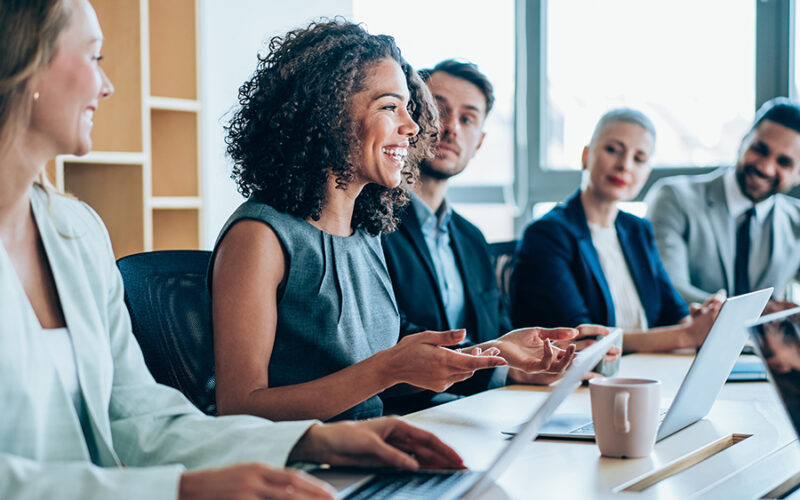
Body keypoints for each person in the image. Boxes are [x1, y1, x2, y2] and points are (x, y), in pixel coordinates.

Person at [0, 2, 465, 498]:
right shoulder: (263, 234)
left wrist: (317, 442)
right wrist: (181, 490)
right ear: (22, 61)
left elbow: (142, 418)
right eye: (93, 57)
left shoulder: (77, 232)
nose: (107, 85)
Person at [209, 21, 532, 424]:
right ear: (329, 114)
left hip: (369, 447)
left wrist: (493, 352)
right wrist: (386, 369)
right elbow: (240, 407)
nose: (412, 128)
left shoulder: (366, 233)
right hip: (301, 470)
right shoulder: (259, 237)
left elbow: (383, 377)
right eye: (389, 107)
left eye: (408, 109)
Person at [381, 60, 604, 413]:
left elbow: (497, 329)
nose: (451, 127)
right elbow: (387, 337)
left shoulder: (471, 238)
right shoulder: (373, 222)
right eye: (438, 110)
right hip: (409, 413)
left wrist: (545, 355)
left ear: (480, 142)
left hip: (481, 408)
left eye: (468, 118)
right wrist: (502, 370)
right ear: (410, 117)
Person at [511, 109, 723, 353]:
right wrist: (687, 335)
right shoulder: (547, 234)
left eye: (639, 159)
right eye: (613, 150)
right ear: (586, 156)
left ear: (646, 174)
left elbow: (673, 312)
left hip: (647, 370)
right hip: (584, 380)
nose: (624, 166)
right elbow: (582, 339)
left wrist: (700, 321)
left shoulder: (637, 230)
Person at [645, 98, 800, 312]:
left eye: (784, 162)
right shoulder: (673, 198)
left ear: (798, 174)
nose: (765, 168)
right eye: (760, 149)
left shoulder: (796, 219)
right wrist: (759, 312)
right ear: (743, 141)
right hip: (686, 344)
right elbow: (670, 289)